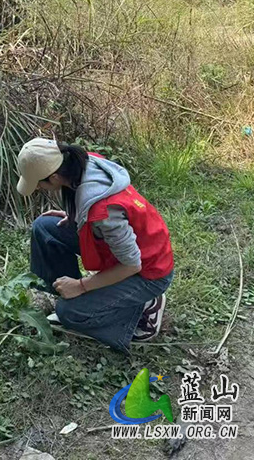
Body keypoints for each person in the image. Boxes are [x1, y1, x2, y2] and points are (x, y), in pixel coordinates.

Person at [17, 138, 174, 353]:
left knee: (69, 313)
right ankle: (65, 292)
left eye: (39, 184)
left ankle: (141, 311)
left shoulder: (104, 213)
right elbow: (90, 206)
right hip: (125, 251)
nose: (39, 189)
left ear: (53, 177)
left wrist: (82, 285)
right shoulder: (81, 163)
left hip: (147, 272)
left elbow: (131, 265)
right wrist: (74, 217)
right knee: (44, 227)